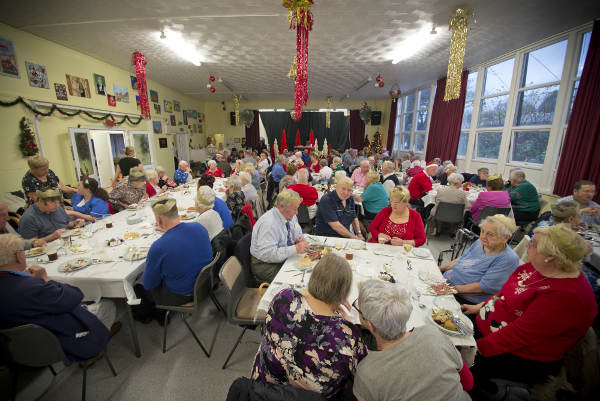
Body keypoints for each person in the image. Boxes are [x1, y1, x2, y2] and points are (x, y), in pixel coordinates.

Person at [462, 224, 597, 398]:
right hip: (490, 329)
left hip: (520, 355)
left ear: (550, 256)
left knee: (459, 367)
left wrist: (474, 349)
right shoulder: (537, 266)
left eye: (533, 243)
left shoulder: (566, 296)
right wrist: (477, 308)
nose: (527, 244)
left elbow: (518, 335)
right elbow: (504, 293)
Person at [252, 254, 367, 397]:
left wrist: (320, 294)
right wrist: (347, 322)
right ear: (343, 293)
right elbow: (363, 371)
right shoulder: (348, 335)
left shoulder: (283, 297)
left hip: (262, 391)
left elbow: (298, 293)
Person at [353, 280, 472, 401]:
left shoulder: (367, 373)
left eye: (358, 308)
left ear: (370, 325)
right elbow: (468, 383)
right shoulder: (434, 334)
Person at [0, 234, 111, 361]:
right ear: (19, 256)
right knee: (109, 305)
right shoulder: (31, 287)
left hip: (21, 350)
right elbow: (75, 296)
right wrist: (45, 278)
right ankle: (95, 347)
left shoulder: (21, 285)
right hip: (61, 341)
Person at [133, 198, 213, 323]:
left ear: (158, 220)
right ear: (177, 213)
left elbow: (149, 284)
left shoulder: (159, 247)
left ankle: (156, 316)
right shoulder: (199, 227)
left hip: (182, 295)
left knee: (138, 286)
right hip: (206, 284)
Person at [441, 215, 519, 304]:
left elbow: (482, 288)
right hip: (448, 282)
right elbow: (461, 260)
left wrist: (449, 290)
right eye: (482, 231)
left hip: (463, 297)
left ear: (506, 237)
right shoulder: (480, 243)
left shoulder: (508, 259)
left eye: (490, 234)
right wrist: (439, 269)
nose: (483, 236)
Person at [250, 189, 308, 282]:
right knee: (297, 278)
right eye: (294, 209)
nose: (297, 212)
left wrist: (298, 239)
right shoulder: (269, 224)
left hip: (280, 256)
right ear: (281, 207)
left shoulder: (289, 215)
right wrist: (295, 248)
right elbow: (267, 254)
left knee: (306, 269)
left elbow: (296, 229)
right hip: (264, 264)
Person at [19, 188, 85, 241]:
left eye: (58, 202)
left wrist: (74, 223)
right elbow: (30, 245)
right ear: (40, 201)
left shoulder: (57, 208)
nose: (57, 205)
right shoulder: (29, 218)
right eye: (53, 202)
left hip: (68, 241)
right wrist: (51, 237)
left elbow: (66, 223)